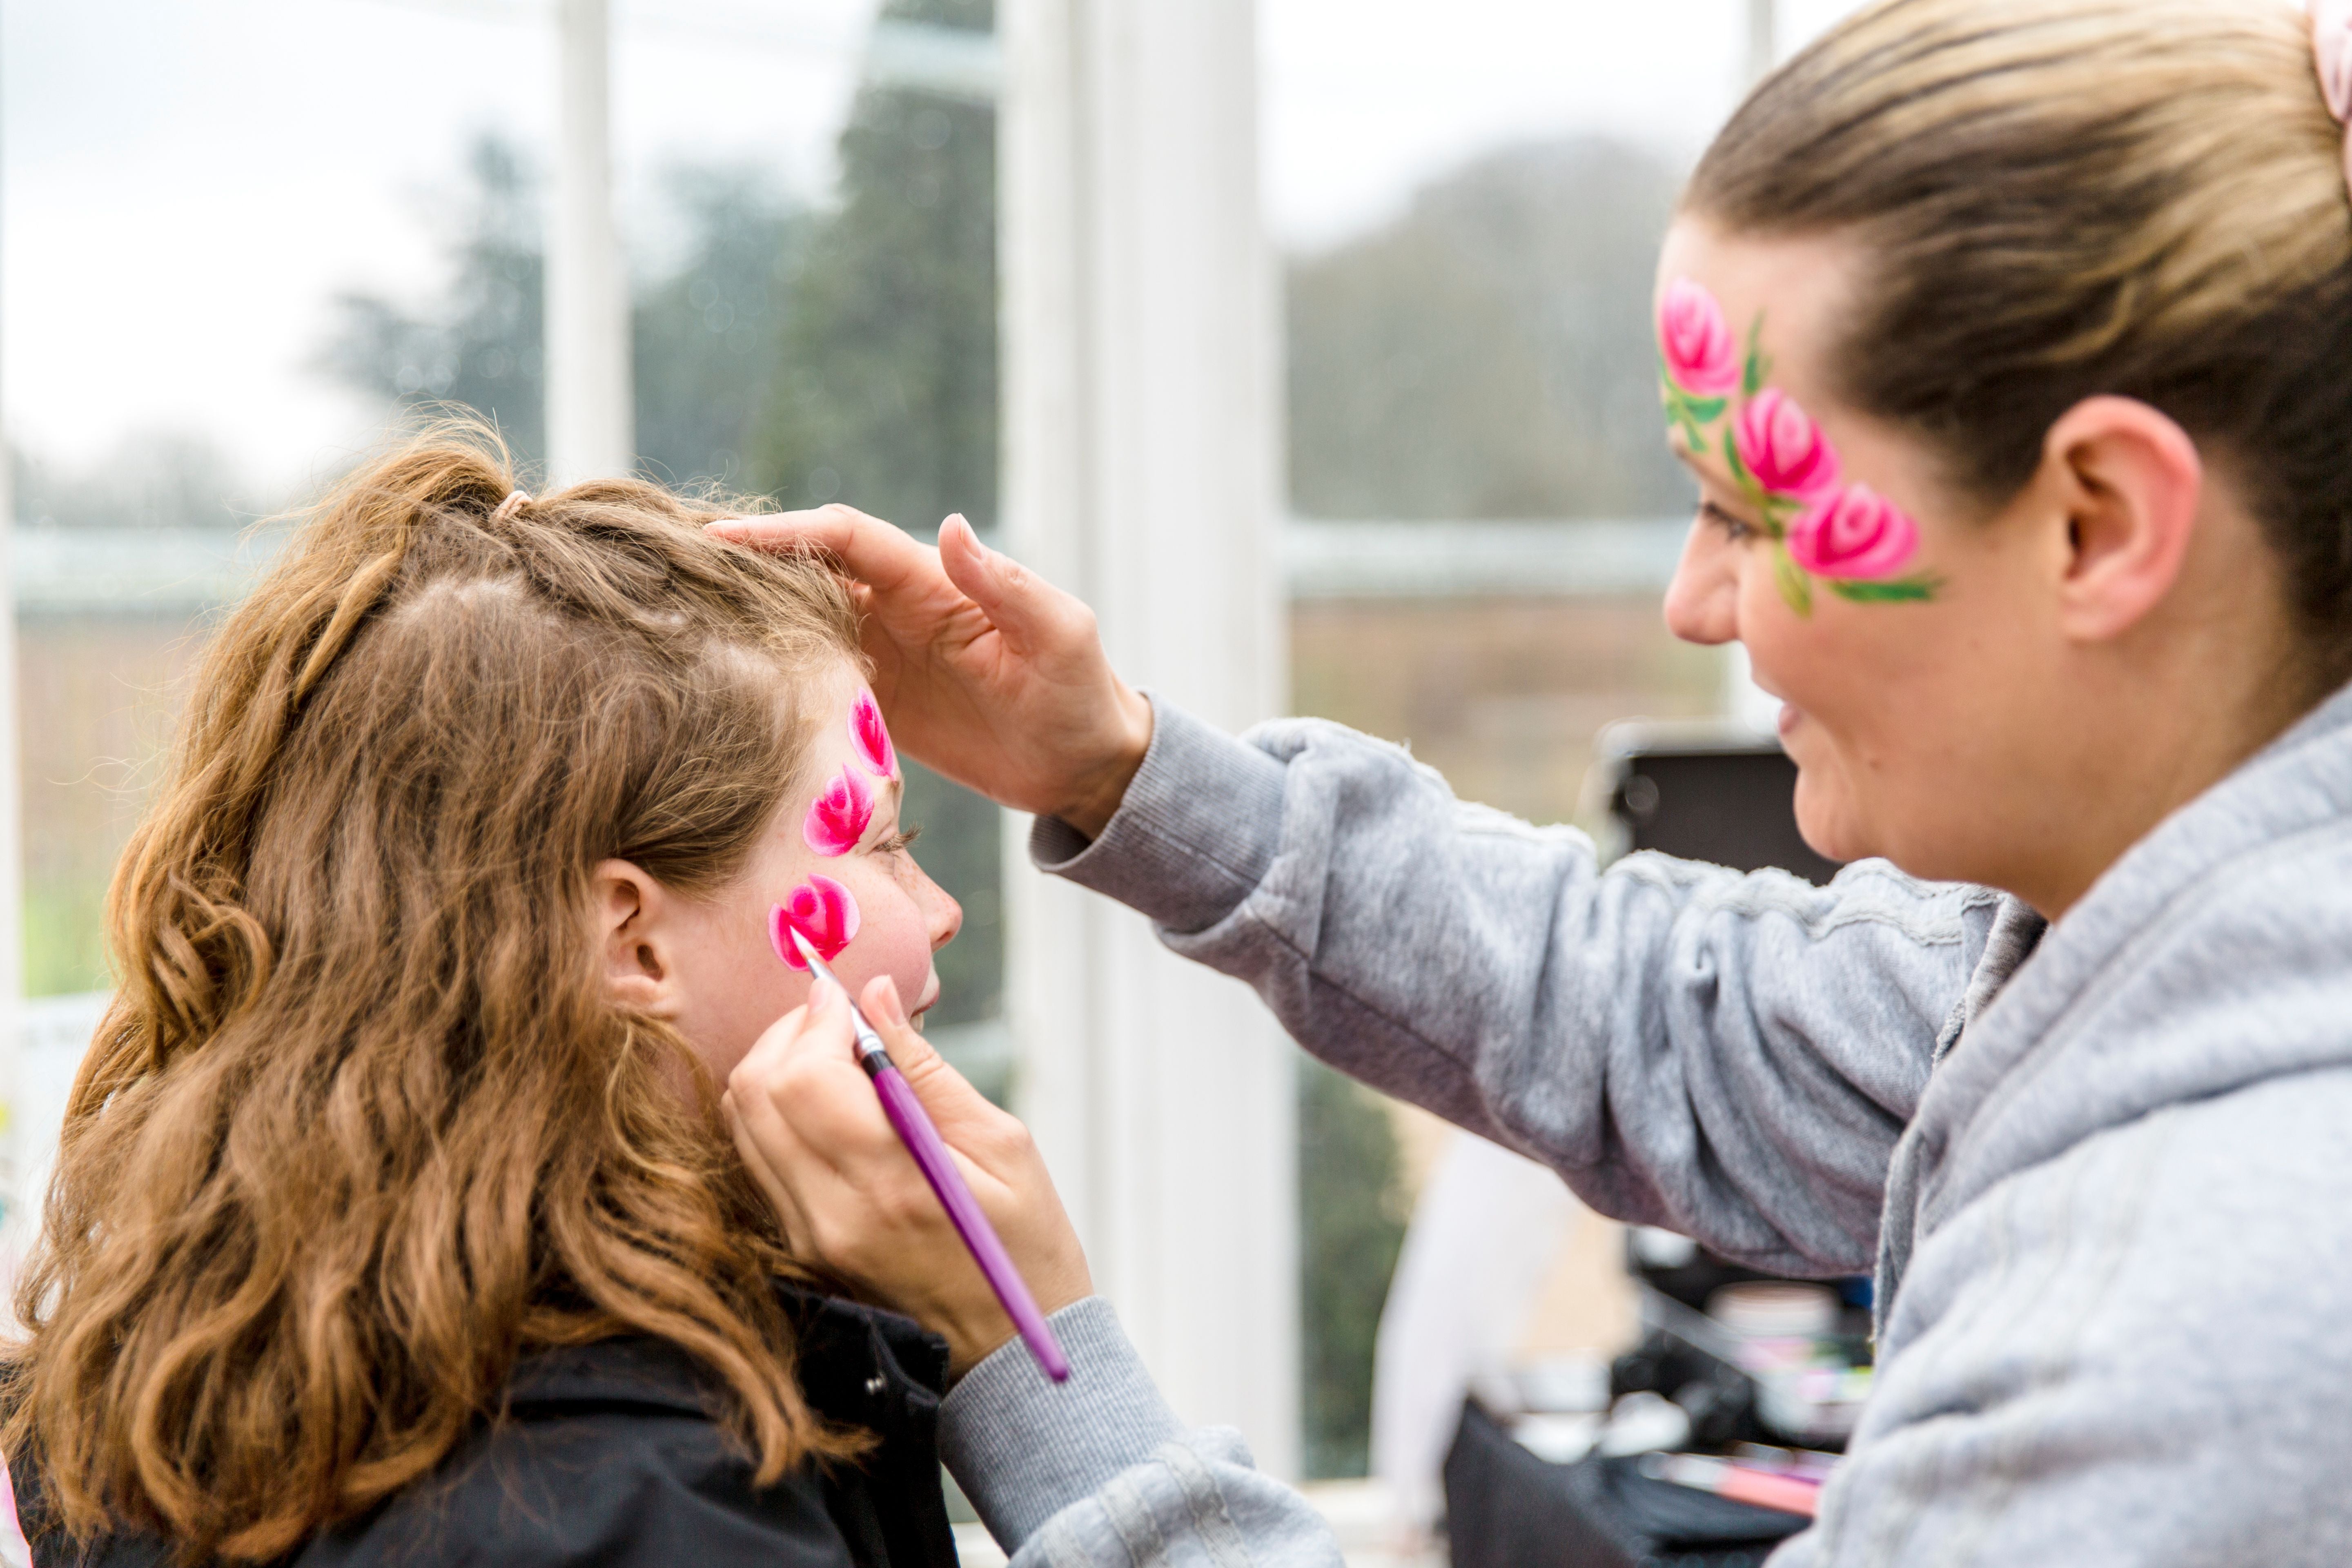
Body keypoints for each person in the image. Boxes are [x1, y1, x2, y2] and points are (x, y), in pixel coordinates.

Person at [718, 0, 2352, 1561]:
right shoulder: (2159, 943)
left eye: (1752, 515)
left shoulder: (2196, 1327)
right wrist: (1120, 767)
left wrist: (1033, 1368)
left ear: (2101, 521)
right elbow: (1683, 1020)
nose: (1692, 604)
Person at [0, 429, 1335, 1567]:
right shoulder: (660, 1518)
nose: (940, 917)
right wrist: (1027, 1338)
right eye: (879, 843)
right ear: (631, 942)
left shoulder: (170, 1381)